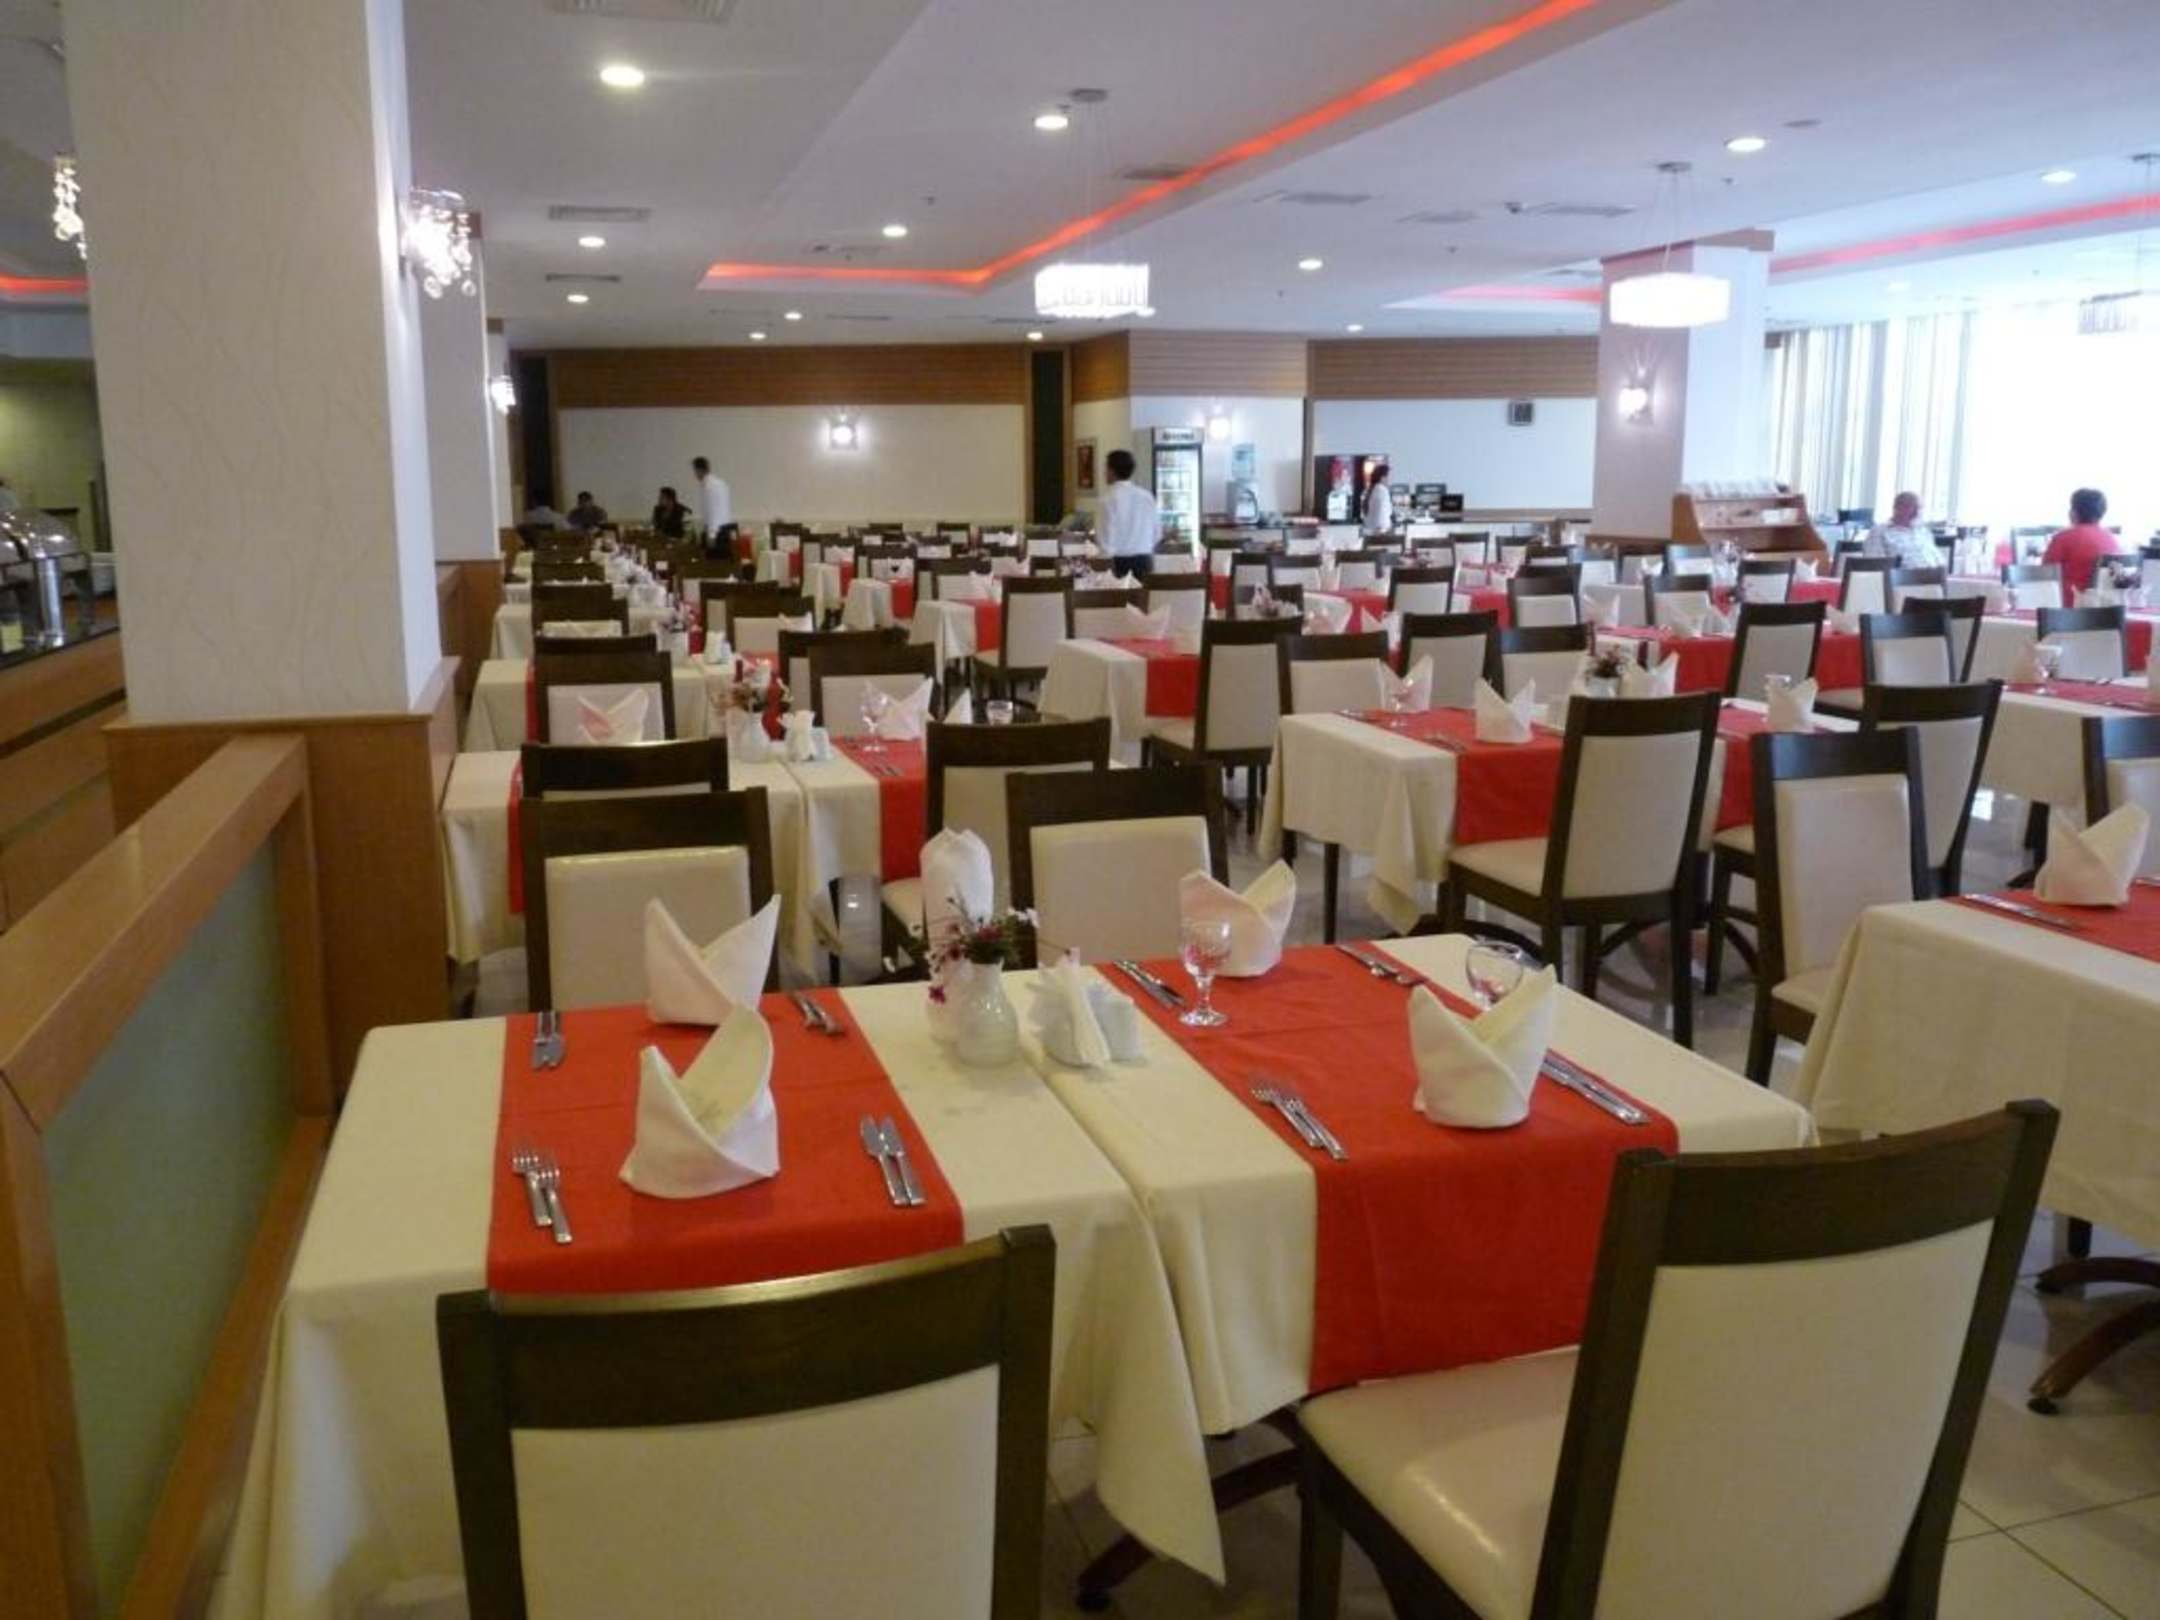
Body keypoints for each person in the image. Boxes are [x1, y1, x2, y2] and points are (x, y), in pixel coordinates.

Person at [2041, 488, 2122, 602]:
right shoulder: (2111, 538)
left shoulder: (2063, 538)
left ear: (2074, 511)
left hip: (2071, 605)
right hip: (2106, 605)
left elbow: (2044, 573)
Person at [1098, 448, 1161, 581]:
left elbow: (1105, 541)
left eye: (1105, 468)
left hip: (1119, 565)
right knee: (1144, 595)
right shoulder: (1147, 497)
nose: (1104, 472)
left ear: (1111, 471)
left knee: (1120, 596)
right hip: (1145, 562)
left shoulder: (1107, 500)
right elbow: (1157, 534)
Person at [1861, 491, 1942, 569]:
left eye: (1919, 508)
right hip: (1905, 577)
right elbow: (1875, 565)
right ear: (1897, 508)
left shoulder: (1923, 531)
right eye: (1912, 507)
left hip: (1935, 576)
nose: (1916, 513)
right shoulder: (1879, 531)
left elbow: (1938, 559)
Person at [692, 455, 735, 557]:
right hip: (726, 529)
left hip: (716, 533)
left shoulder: (708, 486)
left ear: (699, 470)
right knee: (723, 563)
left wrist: (711, 535)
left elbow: (712, 510)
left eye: (695, 471)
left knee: (712, 564)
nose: (695, 474)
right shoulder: (721, 483)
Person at [1361, 463, 1395, 538]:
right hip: (1380, 535)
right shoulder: (1382, 490)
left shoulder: (1370, 490)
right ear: (1382, 477)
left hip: (1368, 533)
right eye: (1388, 477)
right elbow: (1383, 517)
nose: (1390, 480)